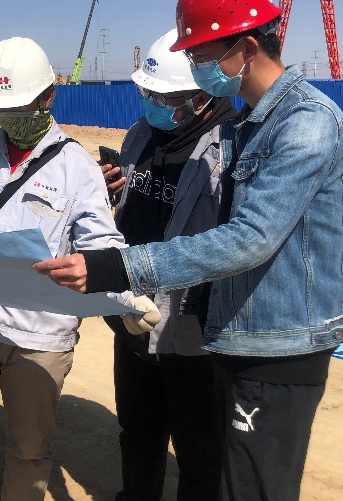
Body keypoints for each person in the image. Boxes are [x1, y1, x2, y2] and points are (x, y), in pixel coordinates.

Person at [36, 0, 343, 501]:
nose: (196, 66)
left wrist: (120, 267)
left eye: (203, 56)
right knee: (165, 446)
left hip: (269, 343)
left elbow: (249, 237)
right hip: (221, 332)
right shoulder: (250, 123)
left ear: (246, 48)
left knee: (235, 476)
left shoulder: (304, 123)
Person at [0, 36, 155, 501]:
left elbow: (100, 244)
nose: (12, 117)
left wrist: (126, 294)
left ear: (48, 97)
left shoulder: (76, 168)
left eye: (21, 106)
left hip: (40, 341)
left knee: (30, 453)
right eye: (3, 109)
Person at [101, 28, 236, 501]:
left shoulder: (231, 148)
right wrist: (111, 190)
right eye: (149, 95)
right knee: (138, 433)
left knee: (201, 453)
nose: (156, 106)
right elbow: (131, 213)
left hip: (193, 333)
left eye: (168, 99)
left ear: (202, 95)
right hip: (133, 315)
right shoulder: (141, 134)